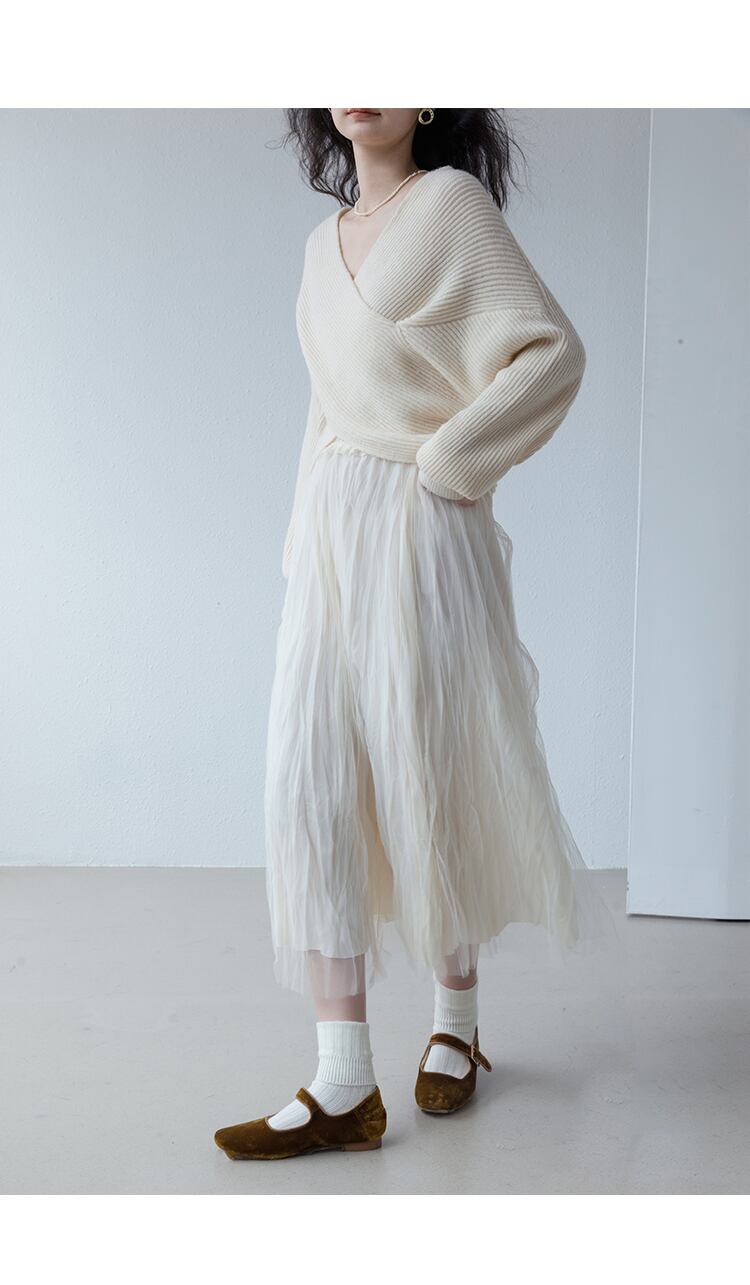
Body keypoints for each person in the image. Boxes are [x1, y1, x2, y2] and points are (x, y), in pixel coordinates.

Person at [214, 108, 608, 1162]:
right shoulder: (321, 245)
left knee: (429, 765)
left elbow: (551, 353)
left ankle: (455, 1024)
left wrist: (448, 463)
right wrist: (302, 544)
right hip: (333, 534)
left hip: (422, 527)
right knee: (309, 784)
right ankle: (343, 1078)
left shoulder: (452, 208)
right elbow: (326, 407)